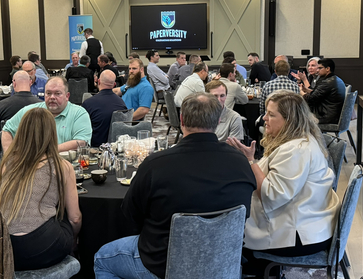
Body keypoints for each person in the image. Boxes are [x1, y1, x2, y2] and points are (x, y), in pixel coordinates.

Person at [94, 93, 256, 279]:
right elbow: (245, 213)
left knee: (102, 258)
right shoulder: (241, 162)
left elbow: (131, 215)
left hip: (161, 265)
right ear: (219, 120)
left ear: (181, 119)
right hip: (224, 264)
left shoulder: (156, 164)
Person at [229, 90, 340, 277]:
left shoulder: (296, 150)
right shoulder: (299, 141)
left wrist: (249, 161)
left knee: (233, 237)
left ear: (290, 120)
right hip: (308, 223)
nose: (264, 118)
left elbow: (271, 197)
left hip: (297, 236)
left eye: (271, 114)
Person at [0, 108, 82, 271]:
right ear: (52, 133)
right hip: (44, 245)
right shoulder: (61, 166)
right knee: (63, 214)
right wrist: (74, 240)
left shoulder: (7, 163)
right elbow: (75, 218)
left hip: (8, 249)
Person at [2, 77, 92, 152]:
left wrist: (45, 152)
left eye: (57, 93)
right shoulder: (32, 111)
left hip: (67, 166)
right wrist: (9, 158)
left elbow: (81, 142)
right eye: (48, 93)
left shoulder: (79, 113)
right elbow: (7, 129)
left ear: (67, 96)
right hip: (33, 167)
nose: (52, 97)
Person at [0, 70, 41, 145]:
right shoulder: (40, 105)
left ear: (14, 83)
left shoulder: (1, 105)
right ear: (30, 82)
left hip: (10, 151)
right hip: (36, 150)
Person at [83, 70, 128, 147]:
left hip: (95, 149)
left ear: (99, 81)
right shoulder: (122, 103)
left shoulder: (88, 104)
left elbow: (82, 130)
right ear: (114, 85)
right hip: (117, 148)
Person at [301, 58, 345, 124]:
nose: (317, 70)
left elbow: (311, 99)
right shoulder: (334, 79)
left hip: (325, 117)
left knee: (298, 115)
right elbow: (317, 93)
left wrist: (300, 92)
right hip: (333, 115)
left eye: (320, 68)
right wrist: (307, 90)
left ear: (327, 69)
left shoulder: (327, 82)